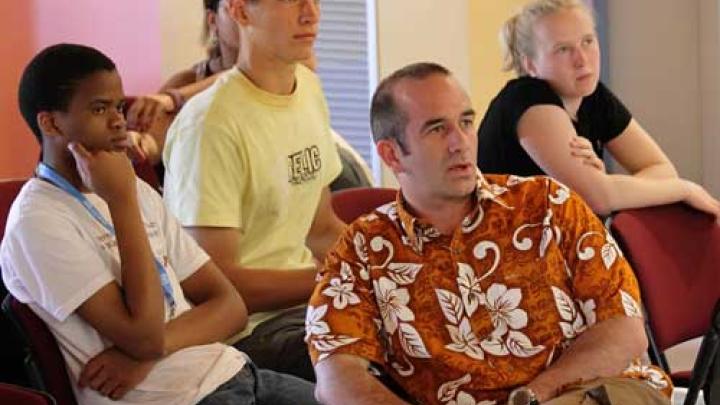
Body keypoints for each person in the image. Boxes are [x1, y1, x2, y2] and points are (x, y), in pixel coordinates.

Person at [306, 62, 672, 405]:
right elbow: (338, 379)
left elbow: (624, 329)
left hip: (595, 391)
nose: (460, 141)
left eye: (466, 122)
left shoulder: (548, 205)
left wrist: (532, 395)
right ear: (392, 155)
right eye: (437, 129)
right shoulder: (363, 251)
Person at [2, 43, 319, 405]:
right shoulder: (39, 221)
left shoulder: (133, 188)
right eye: (99, 108)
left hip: (231, 372)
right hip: (168, 399)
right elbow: (144, 336)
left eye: (118, 106)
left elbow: (230, 306)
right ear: (51, 123)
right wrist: (121, 203)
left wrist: (149, 354)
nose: (119, 120)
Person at [162, 0, 344, 381]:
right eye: (291, 2)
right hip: (247, 334)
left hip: (310, 306)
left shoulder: (308, 88)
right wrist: (341, 276)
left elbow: (323, 228)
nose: (311, 13)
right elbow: (218, 287)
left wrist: (393, 260)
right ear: (241, 12)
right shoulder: (210, 125)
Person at [476, 0, 720, 218]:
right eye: (563, 49)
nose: (582, 59)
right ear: (530, 65)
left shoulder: (591, 95)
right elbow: (599, 199)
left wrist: (608, 185)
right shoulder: (526, 97)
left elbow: (663, 171)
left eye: (588, 41)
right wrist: (685, 190)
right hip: (504, 255)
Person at [129, 0, 373, 190]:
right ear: (216, 20)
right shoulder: (190, 89)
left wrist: (176, 98)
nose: (311, 14)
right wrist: (147, 143)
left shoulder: (299, 70)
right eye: (232, 7)